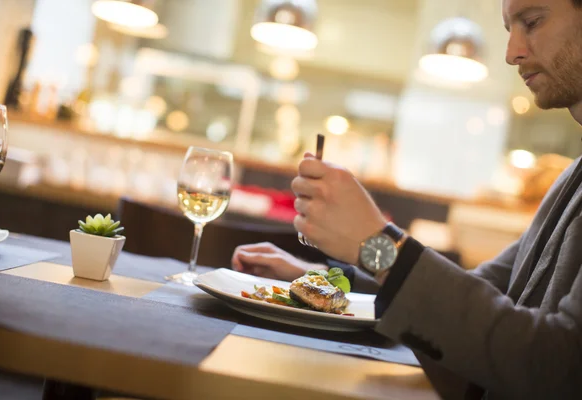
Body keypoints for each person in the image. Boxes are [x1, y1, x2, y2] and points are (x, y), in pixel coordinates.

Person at [231, 0, 582, 398]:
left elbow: (560, 367)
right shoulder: (573, 174)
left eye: (532, 22)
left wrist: (377, 245)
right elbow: (485, 298)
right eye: (508, 30)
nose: (512, 52)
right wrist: (325, 288)